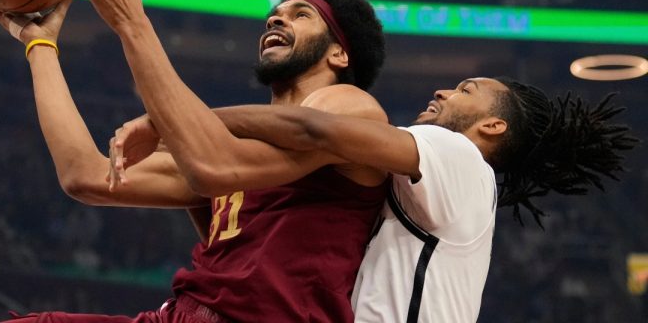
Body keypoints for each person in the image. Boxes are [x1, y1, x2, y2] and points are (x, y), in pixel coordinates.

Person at [0, 0, 389, 322]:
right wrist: (40, 46)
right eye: (275, 14)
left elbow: (219, 164)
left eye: (302, 15)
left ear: (339, 53)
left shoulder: (351, 107)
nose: (277, 17)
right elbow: (84, 175)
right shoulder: (225, 144)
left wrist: (131, 20)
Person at [174, 77, 637, 322]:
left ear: (493, 127)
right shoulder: (436, 185)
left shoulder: (458, 155)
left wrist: (177, 120)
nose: (442, 90)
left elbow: (312, 128)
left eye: (465, 90)